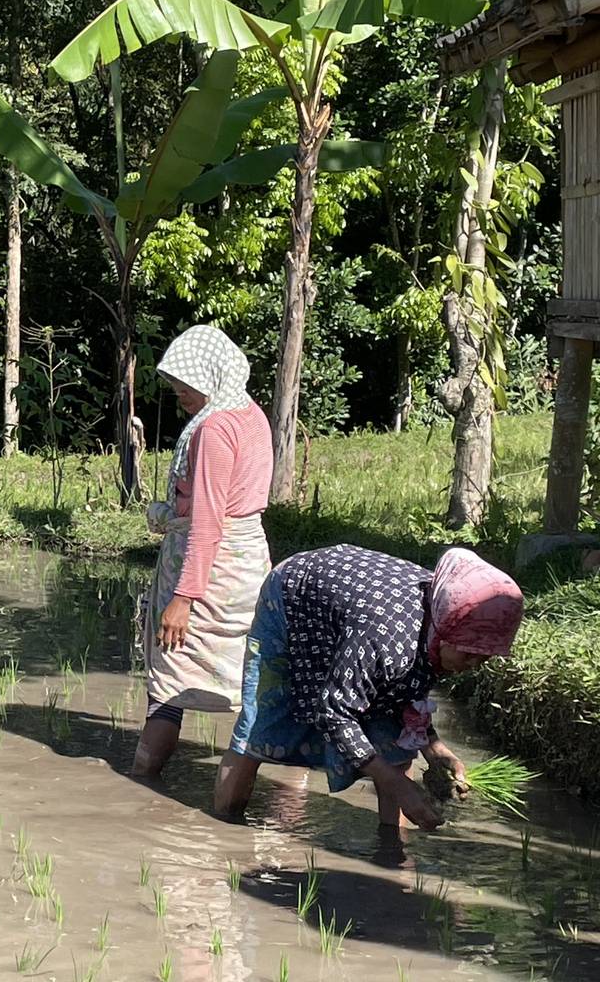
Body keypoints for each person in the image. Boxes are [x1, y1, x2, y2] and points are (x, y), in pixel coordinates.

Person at [212, 544, 524, 831]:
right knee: (262, 727)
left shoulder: (440, 626)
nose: (473, 664)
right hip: (293, 600)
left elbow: (408, 695)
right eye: (468, 654)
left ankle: (393, 853)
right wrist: (397, 785)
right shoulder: (385, 638)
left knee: (395, 743)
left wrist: (436, 751)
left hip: (354, 618)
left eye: (484, 657)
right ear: (443, 632)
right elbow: (334, 713)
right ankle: (225, 828)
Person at [134, 325, 274, 776]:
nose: (180, 395)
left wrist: (183, 599)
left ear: (212, 376)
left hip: (209, 572)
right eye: (176, 387)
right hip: (247, 567)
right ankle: (285, 787)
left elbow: (208, 519)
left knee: (167, 685)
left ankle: (140, 785)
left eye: (186, 386)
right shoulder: (251, 413)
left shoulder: (214, 428)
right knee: (253, 680)